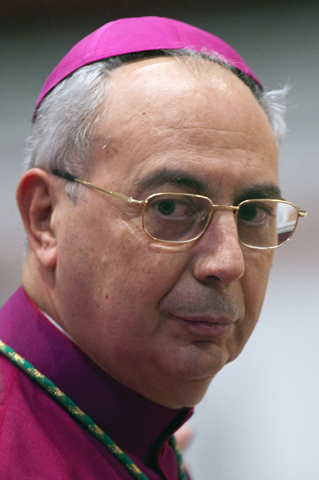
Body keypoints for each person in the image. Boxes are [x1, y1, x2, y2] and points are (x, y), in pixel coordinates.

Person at [0, 16, 306, 480]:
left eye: (252, 213)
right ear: (46, 218)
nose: (227, 262)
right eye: (169, 207)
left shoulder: (140, 431)